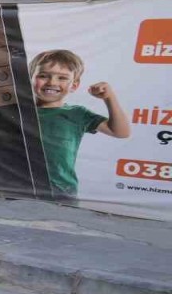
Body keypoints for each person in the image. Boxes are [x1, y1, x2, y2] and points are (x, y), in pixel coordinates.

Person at [27, 49, 130, 200]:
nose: (52, 82)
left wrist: (109, 97)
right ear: (29, 78)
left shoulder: (77, 114)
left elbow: (120, 132)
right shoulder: (16, 111)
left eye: (62, 78)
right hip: (15, 188)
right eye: (43, 76)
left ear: (74, 85)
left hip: (60, 193)